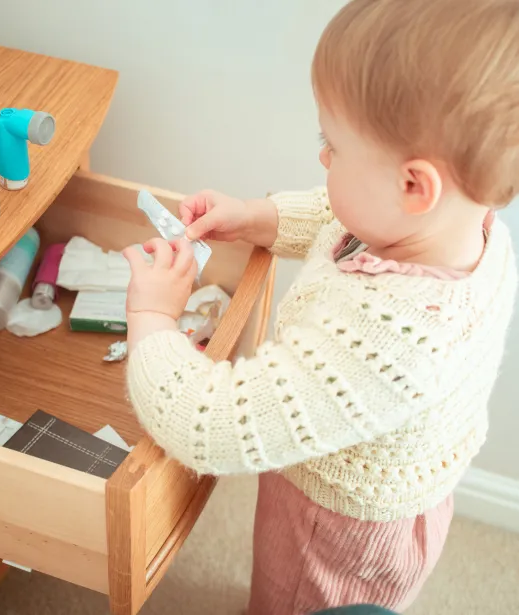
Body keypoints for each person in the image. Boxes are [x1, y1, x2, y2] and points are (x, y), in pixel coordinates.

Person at [122, 0, 519, 613]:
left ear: (414, 186)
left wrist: (152, 316)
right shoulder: (470, 225)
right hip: (386, 485)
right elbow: (345, 220)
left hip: (332, 533)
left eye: (331, 144)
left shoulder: (398, 339)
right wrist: (257, 217)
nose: (322, 158)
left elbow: (209, 426)